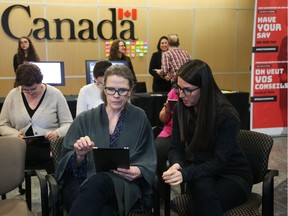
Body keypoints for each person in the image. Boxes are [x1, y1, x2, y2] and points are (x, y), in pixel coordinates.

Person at [55, 64, 156, 216]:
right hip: (82, 180)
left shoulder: (139, 117)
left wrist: (139, 171)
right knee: (98, 207)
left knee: (98, 182)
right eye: (111, 89)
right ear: (104, 89)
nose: (116, 95)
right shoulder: (85, 119)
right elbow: (65, 164)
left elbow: (148, 156)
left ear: (130, 92)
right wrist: (79, 155)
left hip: (123, 183)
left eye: (122, 90)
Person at [162, 59, 253, 215]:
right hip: (201, 171)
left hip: (232, 175)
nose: (181, 95)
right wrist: (177, 163)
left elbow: (218, 162)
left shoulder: (226, 115)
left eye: (188, 90)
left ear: (204, 88)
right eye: (179, 88)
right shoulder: (180, 108)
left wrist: (185, 174)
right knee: (201, 199)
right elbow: (175, 147)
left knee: (196, 208)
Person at [0, 63, 73, 172]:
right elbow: (2, 125)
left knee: (55, 161)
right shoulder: (13, 94)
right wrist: (16, 134)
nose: (29, 93)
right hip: (21, 147)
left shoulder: (55, 94)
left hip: (49, 146)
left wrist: (56, 133)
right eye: (25, 90)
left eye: (33, 89)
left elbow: (68, 124)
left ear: (41, 82)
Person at [155, 87, 178, 198]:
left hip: (190, 133)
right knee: (156, 150)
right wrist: (168, 110)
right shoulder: (173, 92)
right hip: (170, 131)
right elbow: (163, 119)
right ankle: (161, 193)